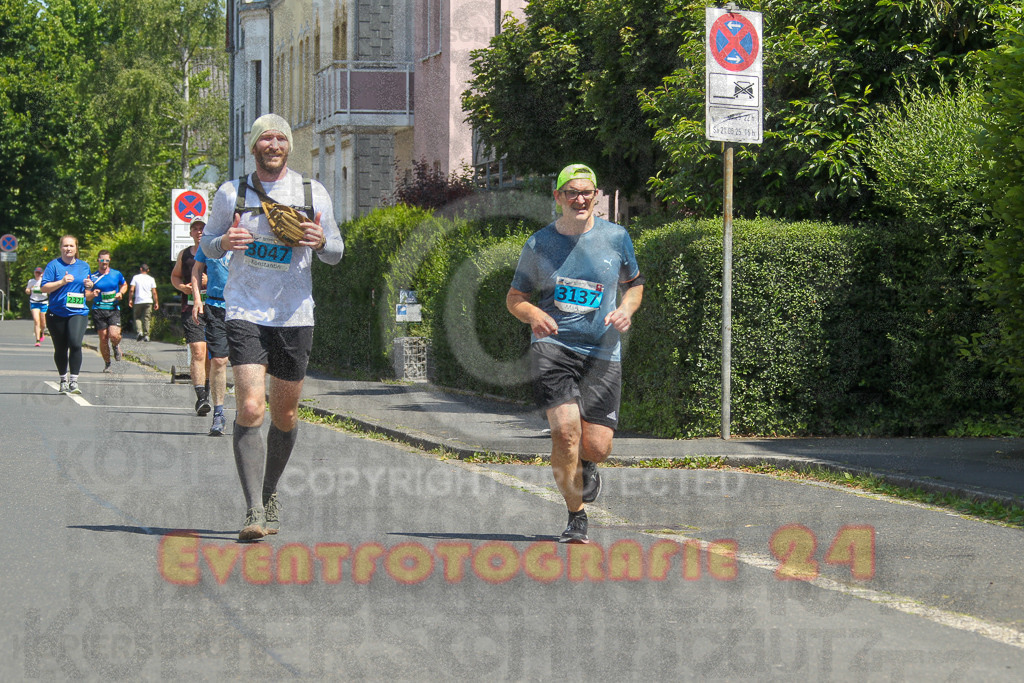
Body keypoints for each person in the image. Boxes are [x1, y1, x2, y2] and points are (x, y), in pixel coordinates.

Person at [200, 113, 343, 540]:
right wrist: (224, 243)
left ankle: (270, 490)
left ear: (289, 147)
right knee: (250, 408)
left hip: (294, 315)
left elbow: (336, 250)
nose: (273, 145)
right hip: (245, 310)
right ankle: (253, 510)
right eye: (266, 139)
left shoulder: (311, 192)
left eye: (280, 139)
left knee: (284, 413)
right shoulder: (232, 192)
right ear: (254, 146)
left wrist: (319, 242)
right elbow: (208, 242)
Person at [506, 163, 644, 544]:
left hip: (602, 352)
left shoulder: (617, 238)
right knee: (565, 432)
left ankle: (587, 466)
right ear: (558, 198)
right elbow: (515, 298)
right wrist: (533, 313)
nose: (580, 199)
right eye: (571, 193)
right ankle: (576, 516)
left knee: (596, 446)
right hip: (554, 348)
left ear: (596, 195)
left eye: (586, 192)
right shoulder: (539, 244)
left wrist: (626, 310)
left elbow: (635, 285)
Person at [39, 235, 93, 394]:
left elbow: (88, 289)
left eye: (71, 246)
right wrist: (61, 282)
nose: (68, 249)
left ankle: (74, 381)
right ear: (60, 248)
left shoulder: (84, 266)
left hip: (78, 311)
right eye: (65, 246)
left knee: (75, 343)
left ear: (76, 248)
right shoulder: (53, 266)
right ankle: (63, 380)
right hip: (57, 312)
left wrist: (90, 285)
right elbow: (44, 288)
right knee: (61, 348)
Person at [191, 244, 232, 436]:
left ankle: (244, 413)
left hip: (243, 307)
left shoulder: (248, 235)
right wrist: (197, 299)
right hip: (215, 306)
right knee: (218, 360)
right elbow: (197, 268)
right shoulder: (210, 239)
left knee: (244, 363)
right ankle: (219, 413)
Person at [171, 217, 211, 415]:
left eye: (202, 228)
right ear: (190, 233)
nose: (199, 231)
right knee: (198, 351)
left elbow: (231, 276)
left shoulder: (216, 252)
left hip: (213, 308)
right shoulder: (185, 254)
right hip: (190, 309)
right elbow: (175, 276)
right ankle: (201, 397)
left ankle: (209, 387)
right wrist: (182, 288)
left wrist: (209, 279)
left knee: (211, 355)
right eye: (195, 229)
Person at [86, 250, 127, 372]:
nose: (104, 263)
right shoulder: (92, 277)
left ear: (110, 261)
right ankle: (107, 364)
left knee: (114, 335)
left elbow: (124, 285)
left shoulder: (116, 274)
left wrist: (121, 293)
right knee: (103, 338)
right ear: (98, 260)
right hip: (98, 309)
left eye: (107, 260)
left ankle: (116, 345)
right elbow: (87, 295)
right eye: (102, 260)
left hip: (113, 309)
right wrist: (93, 294)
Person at [128, 264, 159, 341]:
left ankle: (139, 332)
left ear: (140, 269)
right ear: (148, 270)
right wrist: (156, 302)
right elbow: (154, 292)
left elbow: (132, 290)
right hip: (148, 301)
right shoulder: (151, 279)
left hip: (138, 301)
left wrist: (130, 299)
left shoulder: (135, 278)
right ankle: (147, 335)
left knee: (137, 317)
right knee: (147, 318)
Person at [25, 267, 49, 346]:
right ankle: (37, 340)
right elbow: (27, 290)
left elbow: (49, 290)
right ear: (34, 273)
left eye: (39, 273)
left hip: (43, 302)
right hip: (34, 302)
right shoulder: (31, 281)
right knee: (36, 320)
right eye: (36, 272)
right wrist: (28, 290)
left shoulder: (44, 281)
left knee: (43, 322)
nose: (37, 274)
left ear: (42, 273)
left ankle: (42, 332)